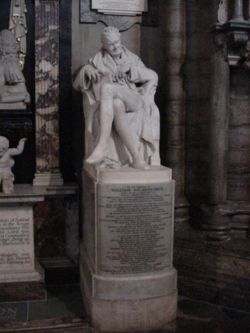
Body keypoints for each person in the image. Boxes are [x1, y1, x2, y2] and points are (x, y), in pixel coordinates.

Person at [74, 26, 160, 169]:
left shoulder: (132, 59)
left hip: (134, 99)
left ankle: (101, 146)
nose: (115, 47)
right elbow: (77, 84)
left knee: (107, 88)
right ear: (104, 46)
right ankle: (137, 159)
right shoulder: (97, 60)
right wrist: (85, 69)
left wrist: (131, 71)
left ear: (120, 40)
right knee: (116, 105)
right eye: (110, 45)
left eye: (116, 42)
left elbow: (153, 76)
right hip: (113, 102)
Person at [0, 29, 30, 106]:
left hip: (7, 93)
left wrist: (5, 89)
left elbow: (22, 87)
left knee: (2, 96)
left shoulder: (9, 64)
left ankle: (23, 96)